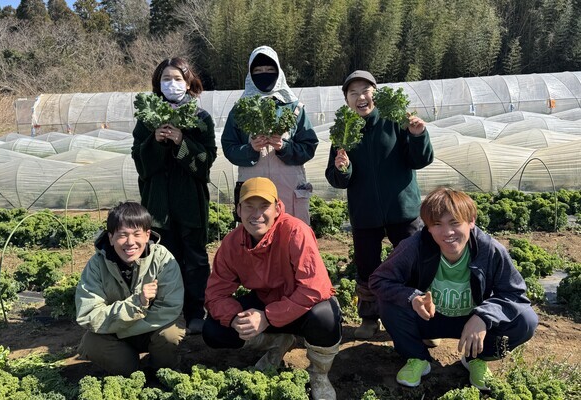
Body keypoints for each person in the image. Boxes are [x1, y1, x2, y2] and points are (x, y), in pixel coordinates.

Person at [369, 188, 538, 390]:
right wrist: (413, 298)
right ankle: (417, 357)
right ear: (428, 227)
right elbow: (379, 280)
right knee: (388, 303)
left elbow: (515, 293)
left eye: (455, 223)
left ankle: (476, 358)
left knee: (526, 320)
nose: (447, 232)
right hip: (429, 318)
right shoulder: (414, 246)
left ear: (471, 221)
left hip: (471, 322)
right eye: (437, 224)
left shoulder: (490, 250)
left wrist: (484, 316)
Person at [202, 177, 342, 400]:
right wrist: (234, 318)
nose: (256, 214)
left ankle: (319, 373)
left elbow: (314, 288)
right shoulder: (232, 243)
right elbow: (215, 294)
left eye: (264, 206)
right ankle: (278, 343)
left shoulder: (295, 231)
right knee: (214, 330)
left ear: (277, 208)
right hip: (265, 302)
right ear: (238, 210)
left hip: (300, 306)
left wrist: (268, 317)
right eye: (249, 206)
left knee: (325, 318)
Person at [325, 70, 434, 339]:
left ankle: (423, 321)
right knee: (367, 268)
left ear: (375, 92)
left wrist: (418, 135)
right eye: (353, 93)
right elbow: (338, 179)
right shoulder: (345, 130)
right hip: (365, 214)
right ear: (347, 100)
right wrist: (342, 168)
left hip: (403, 211)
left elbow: (419, 160)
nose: (360, 97)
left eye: (365, 90)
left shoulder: (395, 120)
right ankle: (369, 318)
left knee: (415, 265)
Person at [131, 57, 217, 334]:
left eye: (178, 79)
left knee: (195, 260)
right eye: (166, 79)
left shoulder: (201, 118)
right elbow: (141, 164)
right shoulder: (147, 119)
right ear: (158, 84)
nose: (172, 84)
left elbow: (205, 162)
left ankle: (196, 312)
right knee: (161, 260)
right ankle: (168, 313)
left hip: (190, 204)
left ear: (189, 83)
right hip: (158, 205)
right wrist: (155, 142)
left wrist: (181, 141)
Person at [75, 201, 186, 376]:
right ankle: (130, 371)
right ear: (111, 237)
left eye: (137, 234)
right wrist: (136, 303)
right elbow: (89, 314)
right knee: (92, 343)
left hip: (147, 331)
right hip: (116, 335)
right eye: (122, 235)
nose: (130, 242)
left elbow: (169, 308)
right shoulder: (96, 265)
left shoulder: (162, 259)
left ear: (147, 235)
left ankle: (161, 371)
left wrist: (124, 328)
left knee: (170, 334)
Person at [221, 45, 318, 224]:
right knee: (256, 236)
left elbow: (309, 147)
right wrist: (250, 149)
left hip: (289, 192)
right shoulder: (240, 109)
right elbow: (229, 148)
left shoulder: (294, 107)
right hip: (254, 194)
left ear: (279, 72)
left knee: (291, 234)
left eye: (269, 70)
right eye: (258, 71)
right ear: (250, 75)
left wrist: (284, 147)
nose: (264, 74)